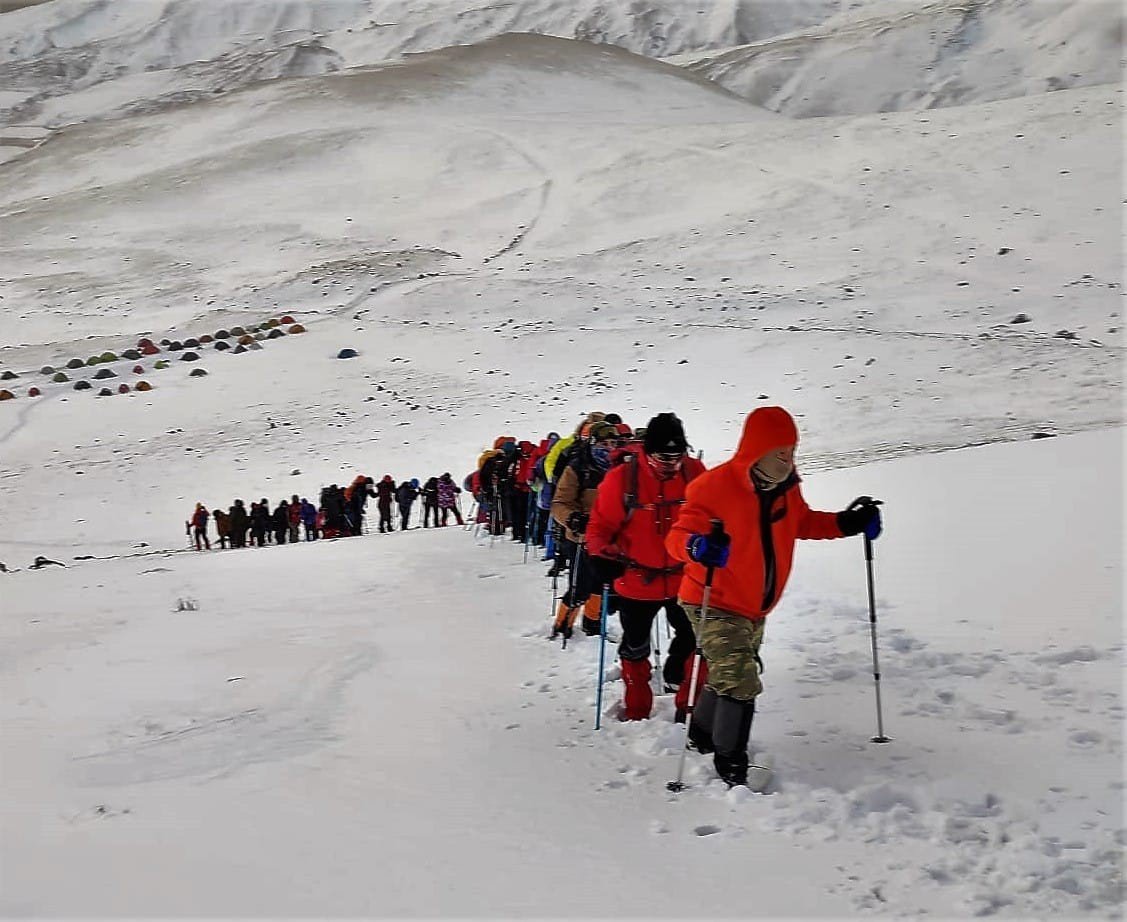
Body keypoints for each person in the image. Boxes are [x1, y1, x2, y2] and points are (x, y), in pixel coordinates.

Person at [665, 406, 882, 787]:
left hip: (753, 605)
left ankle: (700, 735)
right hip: (711, 599)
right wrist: (696, 545)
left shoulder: (787, 490)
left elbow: (804, 523)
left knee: (728, 672)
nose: (789, 459)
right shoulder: (712, 488)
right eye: (780, 451)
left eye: (792, 451)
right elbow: (675, 539)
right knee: (741, 677)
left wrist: (848, 523)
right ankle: (730, 764)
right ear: (756, 449)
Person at [587, 413, 706, 720]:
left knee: (695, 641)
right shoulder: (622, 479)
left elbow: (714, 518)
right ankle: (638, 706)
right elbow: (599, 527)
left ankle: (687, 704)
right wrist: (600, 555)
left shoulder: (695, 474)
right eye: (662, 456)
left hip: (685, 579)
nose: (670, 463)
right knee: (635, 645)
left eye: (677, 456)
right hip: (636, 581)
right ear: (646, 451)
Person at [549, 419, 620, 639]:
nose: (609, 448)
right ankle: (562, 626)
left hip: (609, 536)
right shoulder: (577, 467)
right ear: (592, 442)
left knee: (601, 584)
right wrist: (572, 519)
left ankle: (592, 625)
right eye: (604, 443)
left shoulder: (620, 468)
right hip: (580, 536)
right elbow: (559, 502)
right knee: (580, 586)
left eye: (612, 443)